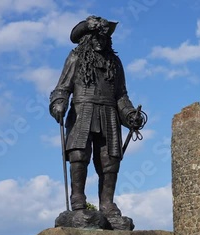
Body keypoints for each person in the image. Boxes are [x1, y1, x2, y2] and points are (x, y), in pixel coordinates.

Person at [49, 15, 143, 216]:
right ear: (87, 38)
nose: (101, 40)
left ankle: (107, 203)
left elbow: (121, 96)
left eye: (104, 37)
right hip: (82, 110)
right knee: (79, 154)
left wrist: (130, 115)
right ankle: (78, 200)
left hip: (108, 113)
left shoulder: (115, 63)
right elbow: (62, 88)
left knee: (110, 160)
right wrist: (59, 103)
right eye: (96, 37)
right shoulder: (75, 58)